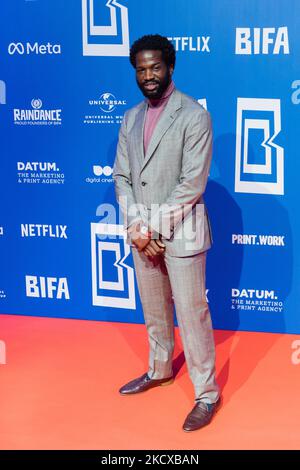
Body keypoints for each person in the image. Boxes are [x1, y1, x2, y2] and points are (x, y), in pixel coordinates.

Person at [112, 34, 220, 432]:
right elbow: (121, 176)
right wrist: (136, 228)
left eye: (155, 67)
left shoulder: (193, 115)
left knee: (192, 316)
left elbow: (192, 183)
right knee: (154, 311)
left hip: (183, 233)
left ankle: (206, 393)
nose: (148, 75)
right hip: (143, 232)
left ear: (170, 66)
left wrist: (152, 227)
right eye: (141, 69)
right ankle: (159, 369)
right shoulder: (129, 118)